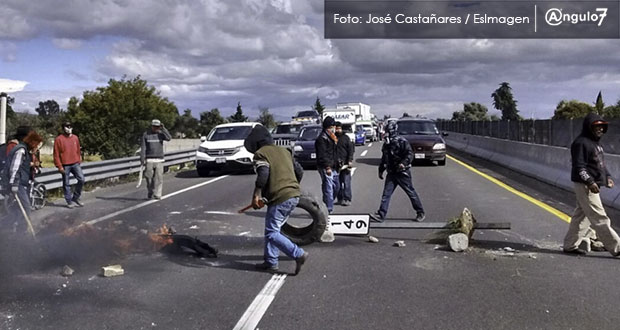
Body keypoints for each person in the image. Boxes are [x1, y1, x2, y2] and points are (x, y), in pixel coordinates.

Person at [244, 125, 308, 275]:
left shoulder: (261, 154)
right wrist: (291, 187)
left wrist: (257, 194)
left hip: (281, 197)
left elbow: (263, 174)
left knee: (271, 233)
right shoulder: (284, 151)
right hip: (293, 195)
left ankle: (298, 254)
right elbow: (299, 171)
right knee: (273, 229)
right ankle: (271, 262)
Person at [563, 113, 620, 256]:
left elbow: (600, 164)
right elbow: (579, 166)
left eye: (602, 127)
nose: (600, 129)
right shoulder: (581, 143)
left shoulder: (596, 144)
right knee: (599, 217)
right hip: (585, 185)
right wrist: (590, 181)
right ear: (589, 127)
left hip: (592, 184)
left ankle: (570, 245)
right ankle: (617, 247)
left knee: (581, 217)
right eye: (596, 127)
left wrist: (607, 177)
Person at [370, 121, 425, 222]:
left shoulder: (402, 141)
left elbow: (409, 154)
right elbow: (384, 157)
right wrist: (381, 170)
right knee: (386, 194)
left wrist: (403, 163)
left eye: (389, 130)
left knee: (411, 193)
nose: (388, 133)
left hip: (402, 172)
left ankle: (420, 212)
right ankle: (381, 214)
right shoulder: (386, 144)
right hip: (391, 172)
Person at [5, 131, 44, 233]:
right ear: (32, 142)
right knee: (26, 207)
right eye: (37, 145)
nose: (37, 148)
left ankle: (9, 229)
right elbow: (15, 168)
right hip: (18, 184)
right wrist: (14, 184)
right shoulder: (21, 150)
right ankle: (21, 233)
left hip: (21, 183)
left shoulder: (25, 150)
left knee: (17, 209)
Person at [54, 121, 85, 208]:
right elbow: (56, 154)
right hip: (65, 165)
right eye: (67, 127)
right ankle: (69, 201)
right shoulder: (59, 139)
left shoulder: (75, 138)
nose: (69, 128)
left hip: (75, 163)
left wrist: (79, 160)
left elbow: (78, 150)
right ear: (63, 128)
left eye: (70, 126)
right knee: (66, 183)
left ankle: (76, 197)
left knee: (81, 179)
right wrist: (59, 166)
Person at [140, 119, 171, 200]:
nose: (156, 128)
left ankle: (158, 194)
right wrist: (142, 158)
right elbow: (143, 147)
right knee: (148, 178)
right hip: (149, 159)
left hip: (159, 159)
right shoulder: (146, 134)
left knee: (159, 178)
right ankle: (150, 191)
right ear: (152, 126)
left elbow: (169, 138)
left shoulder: (161, 134)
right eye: (155, 127)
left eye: (158, 127)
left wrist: (164, 129)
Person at [315, 116, 339, 213]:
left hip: (334, 166)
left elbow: (334, 153)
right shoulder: (322, 139)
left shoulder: (332, 138)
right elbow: (322, 155)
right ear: (327, 127)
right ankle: (329, 210)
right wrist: (327, 167)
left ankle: (326, 203)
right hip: (326, 167)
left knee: (336, 187)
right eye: (332, 127)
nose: (334, 128)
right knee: (328, 188)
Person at [335, 121, 354, 206]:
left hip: (345, 164)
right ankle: (340, 198)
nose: (337, 130)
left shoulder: (346, 138)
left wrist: (350, 160)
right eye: (336, 128)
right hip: (335, 165)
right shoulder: (332, 138)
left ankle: (347, 199)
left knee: (346, 182)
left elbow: (351, 150)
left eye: (339, 128)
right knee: (337, 183)